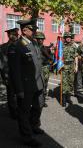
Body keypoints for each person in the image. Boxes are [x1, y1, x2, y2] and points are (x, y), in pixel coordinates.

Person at [8, 19, 45, 147]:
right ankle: (26, 137)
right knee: (24, 112)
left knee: (38, 106)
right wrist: (19, 90)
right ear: (24, 30)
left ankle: (34, 125)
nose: (35, 32)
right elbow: (15, 71)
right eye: (33, 30)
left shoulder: (34, 43)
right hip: (26, 86)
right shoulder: (17, 46)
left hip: (38, 83)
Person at [0, 27, 19, 119]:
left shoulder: (20, 46)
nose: (15, 36)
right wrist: (6, 75)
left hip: (20, 74)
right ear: (9, 35)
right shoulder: (3, 47)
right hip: (10, 74)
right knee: (11, 94)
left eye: (16, 34)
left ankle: (19, 110)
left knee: (20, 93)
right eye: (13, 34)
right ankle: (13, 112)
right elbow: (3, 63)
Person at [34, 31, 53, 108]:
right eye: (39, 39)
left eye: (42, 39)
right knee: (36, 85)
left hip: (45, 68)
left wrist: (50, 63)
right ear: (36, 39)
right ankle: (36, 100)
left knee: (44, 85)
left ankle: (43, 100)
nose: (40, 40)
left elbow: (51, 58)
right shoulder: (34, 48)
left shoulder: (46, 48)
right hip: (36, 68)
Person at [61, 32, 78, 107]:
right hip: (64, 66)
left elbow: (76, 56)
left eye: (69, 37)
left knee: (71, 82)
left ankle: (68, 98)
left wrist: (76, 66)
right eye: (66, 37)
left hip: (71, 66)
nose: (68, 38)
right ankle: (64, 100)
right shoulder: (61, 47)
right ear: (64, 38)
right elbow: (59, 57)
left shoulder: (74, 46)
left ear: (71, 38)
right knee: (64, 83)